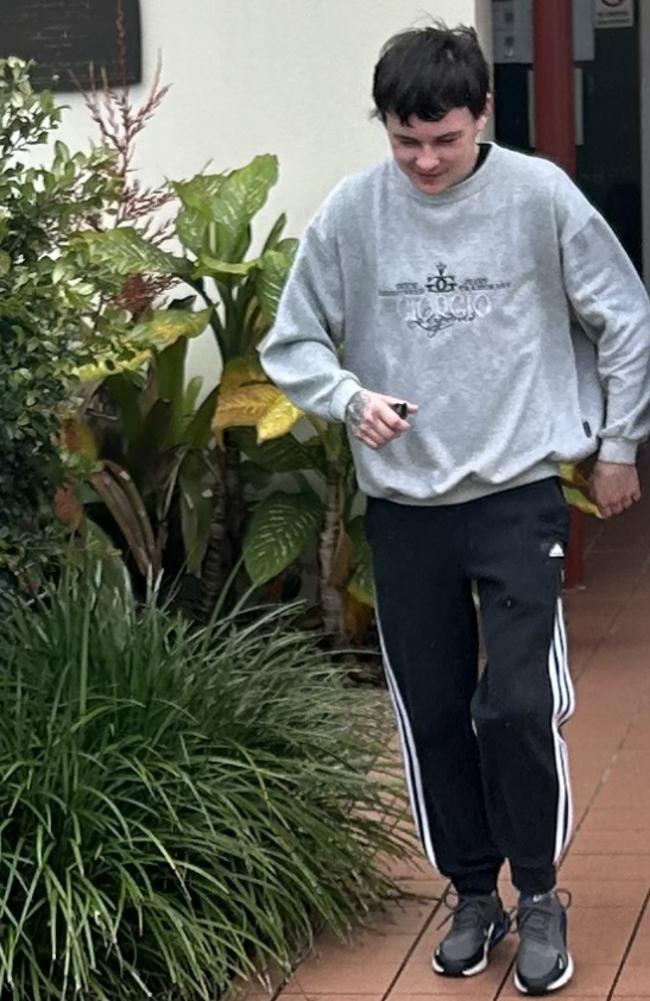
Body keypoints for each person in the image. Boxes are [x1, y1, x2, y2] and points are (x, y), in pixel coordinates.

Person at [260, 22, 650, 995]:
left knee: (513, 702)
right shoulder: (353, 212)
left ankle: (540, 889)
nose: (425, 160)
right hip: (405, 510)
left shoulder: (536, 196)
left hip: (516, 495)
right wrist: (352, 399)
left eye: (444, 138)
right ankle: (472, 890)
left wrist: (615, 444)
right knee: (433, 708)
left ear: (482, 114)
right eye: (405, 141)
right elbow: (294, 341)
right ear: (385, 128)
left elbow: (623, 312)